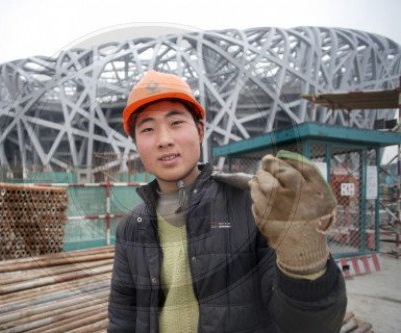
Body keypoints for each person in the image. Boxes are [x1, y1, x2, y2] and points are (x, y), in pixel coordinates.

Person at [107, 70, 347, 332]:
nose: (164, 140)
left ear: (200, 130)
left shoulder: (254, 208)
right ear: (137, 144)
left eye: (176, 123)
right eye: (148, 129)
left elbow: (309, 326)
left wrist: (304, 261)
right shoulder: (131, 226)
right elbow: (123, 316)